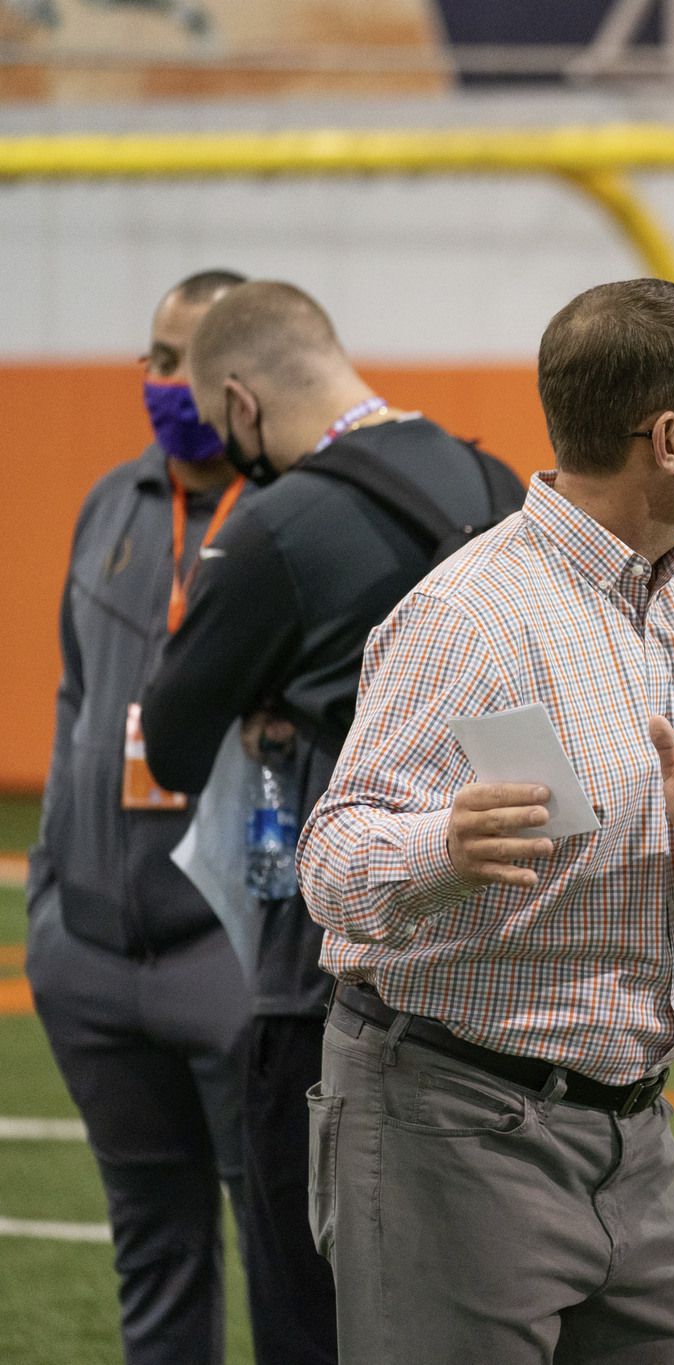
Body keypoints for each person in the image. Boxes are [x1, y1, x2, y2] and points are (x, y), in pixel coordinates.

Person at [297, 277, 674, 1364]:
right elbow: (330, 859)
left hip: (631, 1133)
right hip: (447, 1120)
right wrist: (440, 848)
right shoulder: (469, 616)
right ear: (671, 438)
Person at [140, 280, 524, 1365]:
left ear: (238, 400)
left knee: (312, 1314)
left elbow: (171, 742)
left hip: (329, 971)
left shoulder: (275, 522)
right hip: (490, 971)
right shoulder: (490, 477)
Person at [24, 269, 259, 1365]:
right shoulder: (110, 501)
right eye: (154, 357)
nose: (161, 381)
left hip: (234, 954)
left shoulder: (293, 518)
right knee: (150, 1250)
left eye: (186, 362)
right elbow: (77, 700)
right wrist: (52, 902)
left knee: (288, 1254)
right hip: (92, 951)